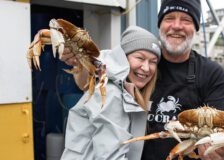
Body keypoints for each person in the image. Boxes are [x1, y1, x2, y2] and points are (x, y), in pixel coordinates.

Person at [61, 0, 224, 159]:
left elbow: (223, 131)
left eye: (186, 20)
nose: (177, 26)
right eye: (169, 18)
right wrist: (80, 62)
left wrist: (220, 149)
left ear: (196, 27)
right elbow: (91, 81)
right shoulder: (141, 59)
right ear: (160, 25)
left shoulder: (212, 74)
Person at [60, 26, 161, 160]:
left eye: (153, 62)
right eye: (140, 58)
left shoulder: (125, 91)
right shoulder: (111, 92)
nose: (146, 67)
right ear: (123, 58)